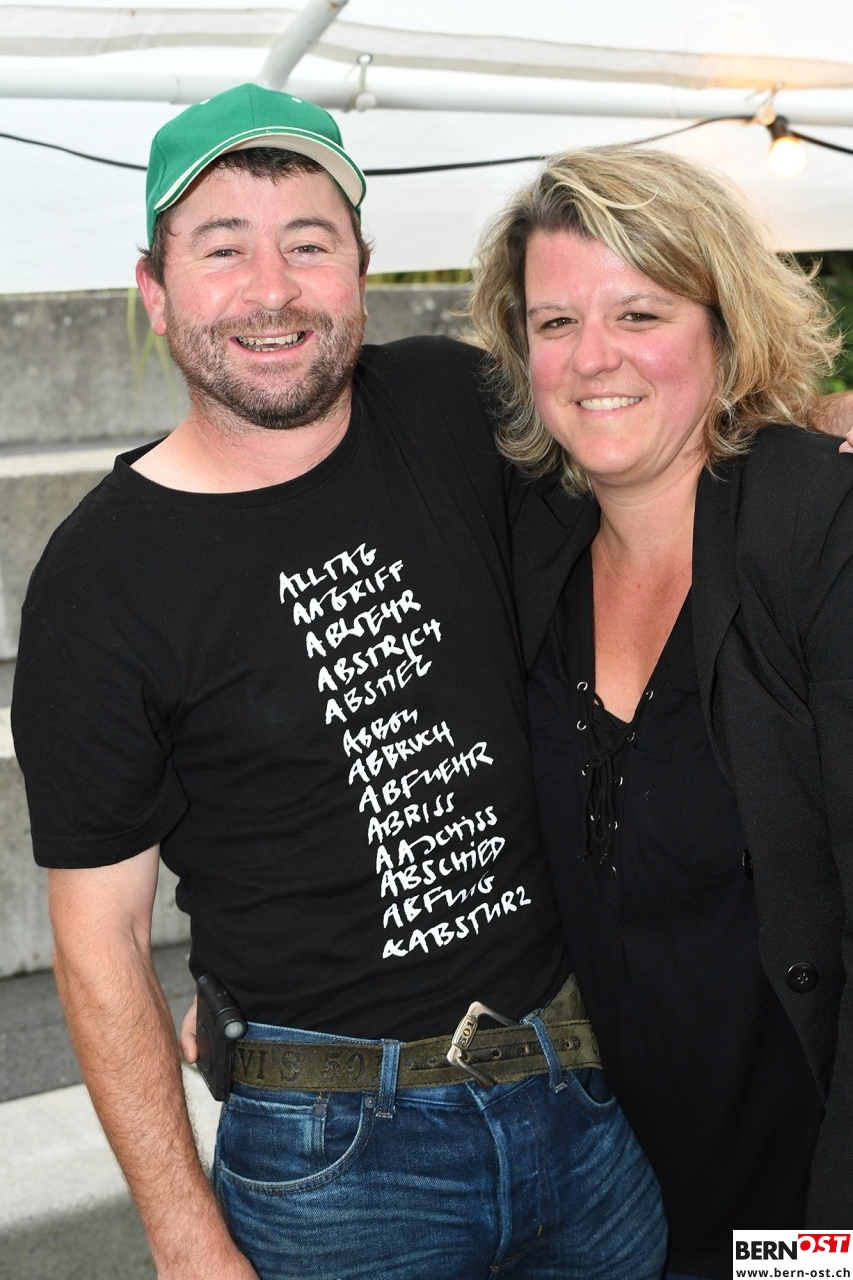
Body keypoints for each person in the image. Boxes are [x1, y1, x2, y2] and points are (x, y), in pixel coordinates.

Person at [10, 85, 667, 1280]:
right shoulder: (99, 581)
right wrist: (184, 1238)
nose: (272, 290)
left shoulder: (454, 404)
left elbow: (644, 438)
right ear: (154, 291)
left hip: (581, 1094)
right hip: (337, 1167)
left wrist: (806, 445)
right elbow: (100, 938)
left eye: (308, 243)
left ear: (360, 270)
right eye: (223, 249)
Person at [468, 145, 853, 1280]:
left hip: (801, 1213)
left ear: (724, 328)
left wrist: (828, 1246)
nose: (593, 356)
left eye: (639, 312)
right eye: (555, 323)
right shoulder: (526, 555)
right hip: (603, 1209)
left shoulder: (816, 529)